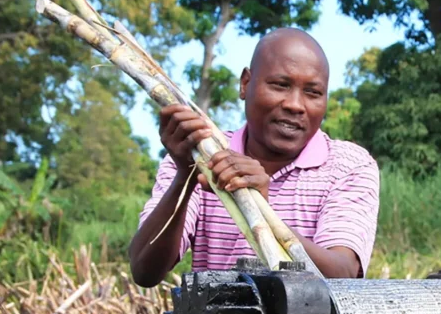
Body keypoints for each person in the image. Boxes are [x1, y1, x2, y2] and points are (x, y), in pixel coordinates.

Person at [129, 29, 379, 287]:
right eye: (280, 85)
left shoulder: (348, 165)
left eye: (313, 92)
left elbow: (344, 274)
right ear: (245, 84)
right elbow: (144, 271)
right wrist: (185, 176)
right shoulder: (199, 157)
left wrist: (260, 207)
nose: (295, 104)